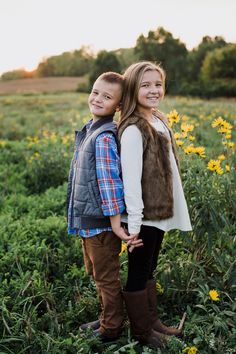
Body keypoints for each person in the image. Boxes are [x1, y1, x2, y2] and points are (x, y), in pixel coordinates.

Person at [117, 61, 192, 348]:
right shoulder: (134, 129)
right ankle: (142, 332)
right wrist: (133, 227)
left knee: (149, 268)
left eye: (157, 84)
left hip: (159, 212)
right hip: (143, 216)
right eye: (145, 85)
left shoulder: (157, 119)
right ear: (133, 89)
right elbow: (132, 183)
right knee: (138, 271)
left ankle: (153, 322)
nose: (153, 90)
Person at [67, 71, 142, 343]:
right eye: (96, 92)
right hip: (90, 220)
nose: (98, 98)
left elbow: (110, 183)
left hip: (101, 223)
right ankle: (105, 318)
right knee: (100, 276)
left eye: (107, 97)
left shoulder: (104, 137)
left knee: (107, 277)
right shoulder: (91, 129)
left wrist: (114, 222)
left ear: (118, 106)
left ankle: (112, 328)